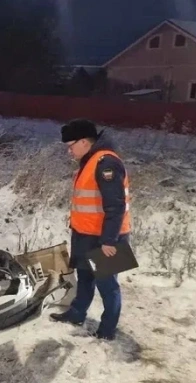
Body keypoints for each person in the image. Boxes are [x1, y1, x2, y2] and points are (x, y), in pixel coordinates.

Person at [50, 119, 131, 341]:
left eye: (71, 145)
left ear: (84, 142)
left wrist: (109, 240)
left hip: (105, 238)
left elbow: (116, 206)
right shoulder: (91, 161)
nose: (69, 150)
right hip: (87, 235)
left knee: (108, 285)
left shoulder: (106, 164)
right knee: (85, 277)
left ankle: (107, 331)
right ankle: (77, 314)